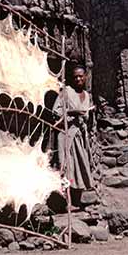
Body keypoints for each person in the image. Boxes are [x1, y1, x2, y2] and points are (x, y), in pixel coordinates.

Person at [54, 64, 94, 204]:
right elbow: (56, 113)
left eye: (80, 76)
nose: (78, 79)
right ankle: (67, 201)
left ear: (85, 77)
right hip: (67, 135)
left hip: (80, 136)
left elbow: (87, 118)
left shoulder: (87, 95)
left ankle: (77, 200)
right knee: (67, 166)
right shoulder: (66, 92)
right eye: (75, 76)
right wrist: (72, 112)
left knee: (80, 165)